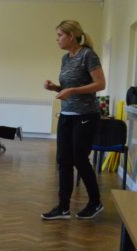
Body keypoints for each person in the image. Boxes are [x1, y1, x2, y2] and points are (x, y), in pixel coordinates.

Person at [41, 20, 106, 220]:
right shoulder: (66, 58)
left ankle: (96, 202)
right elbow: (67, 88)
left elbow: (100, 84)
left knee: (79, 159)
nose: (57, 39)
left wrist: (72, 90)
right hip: (67, 116)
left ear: (71, 36)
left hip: (86, 116)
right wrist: (56, 88)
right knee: (63, 161)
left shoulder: (88, 55)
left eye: (60, 35)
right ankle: (63, 208)